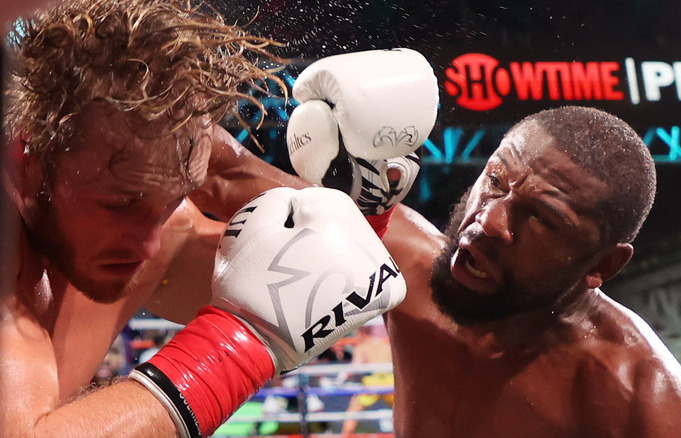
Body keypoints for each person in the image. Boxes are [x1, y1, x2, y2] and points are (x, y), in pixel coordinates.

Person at [0, 0, 433, 436]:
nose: (148, 242)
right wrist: (237, 343)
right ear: (24, 157)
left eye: (174, 198)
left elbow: (312, 278)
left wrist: (366, 199)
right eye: (122, 203)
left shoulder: (157, 230)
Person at [287, 105, 681, 437]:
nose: (489, 222)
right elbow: (229, 174)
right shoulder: (407, 261)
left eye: (541, 217)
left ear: (602, 264)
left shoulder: (636, 397)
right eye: (496, 180)